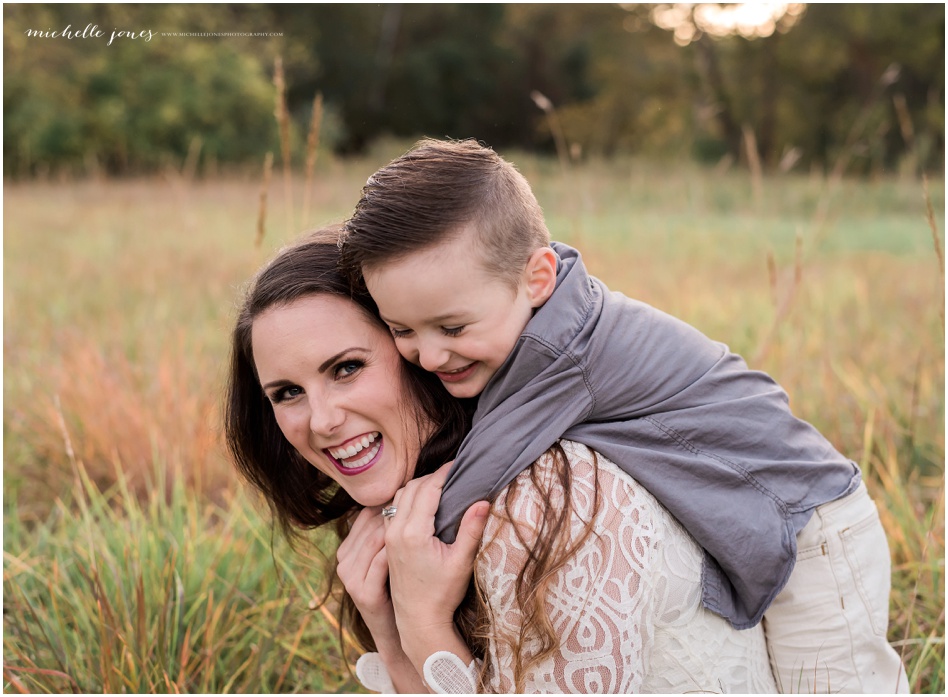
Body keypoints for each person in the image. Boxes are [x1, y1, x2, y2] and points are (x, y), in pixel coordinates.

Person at [340, 138, 909, 693]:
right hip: (773, 512)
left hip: (814, 526)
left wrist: (405, 544)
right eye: (401, 331)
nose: (430, 355)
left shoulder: (564, 351)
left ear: (535, 279)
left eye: (453, 328)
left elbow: (487, 465)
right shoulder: (545, 305)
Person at [224, 228, 779, 692]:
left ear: (419, 350)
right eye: (286, 393)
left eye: (346, 368)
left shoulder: (550, 497)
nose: (320, 421)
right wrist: (393, 641)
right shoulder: (413, 515)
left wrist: (422, 627)